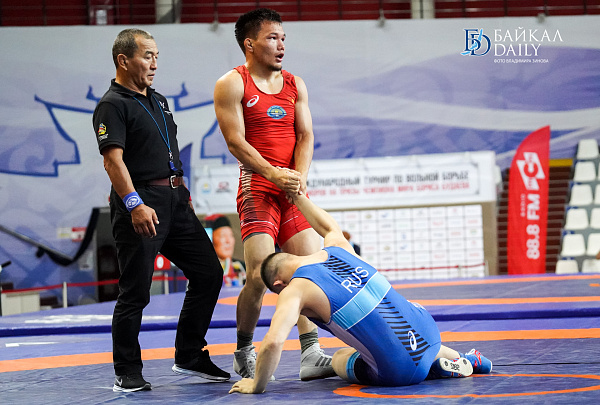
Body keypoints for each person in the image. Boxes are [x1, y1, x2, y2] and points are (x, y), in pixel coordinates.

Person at [229, 191, 492, 394]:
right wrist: (298, 197)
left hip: (399, 370)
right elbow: (328, 226)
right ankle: (467, 359)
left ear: (278, 284)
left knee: (341, 357)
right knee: (404, 332)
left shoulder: (295, 289)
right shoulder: (339, 247)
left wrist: (257, 384)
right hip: (428, 333)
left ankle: (433, 369)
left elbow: (273, 342)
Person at [93, 28, 230, 393]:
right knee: (136, 291)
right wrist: (134, 203)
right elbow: (112, 161)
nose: (155, 63)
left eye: (157, 56)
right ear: (124, 60)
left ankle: (189, 355)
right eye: (147, 56)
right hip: (140, 203)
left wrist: (181, 192)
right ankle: (127, 370)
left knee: (209, 273)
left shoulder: (159, 100)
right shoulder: (112, 104)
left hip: (176, 201)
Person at [213, 8, 333, 381]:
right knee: (259, 276)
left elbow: (306, 135)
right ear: (249, 44)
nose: (281, 45)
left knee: (309, 271)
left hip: (290, 189)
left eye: (283, 38)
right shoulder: (232, 84)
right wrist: (273, 174)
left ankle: (311, 352)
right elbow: (235, 141)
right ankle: (243, 350)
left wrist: (299, 178)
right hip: (259, 189)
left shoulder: (296, 84)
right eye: (272, 38)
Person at [205, 214, 247, 286]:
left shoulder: (243, 267)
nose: (228, 241)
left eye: (231, 235)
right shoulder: (202, 269)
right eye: (222, 236)